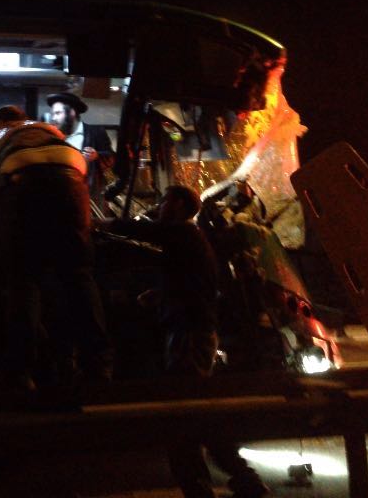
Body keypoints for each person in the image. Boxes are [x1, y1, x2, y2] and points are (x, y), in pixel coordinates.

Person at [105, 185, 269, 498]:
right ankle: (236, 480)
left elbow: (145, 232)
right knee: (195, 412)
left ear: (179, 205)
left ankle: (212, 485)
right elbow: (192, 283)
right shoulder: (190, 240)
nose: (159, 207)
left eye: (165, 201)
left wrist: (101, 224)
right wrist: (160, 296)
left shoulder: (183, 232)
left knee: (184, 414)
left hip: (189, 337)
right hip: (193, 334)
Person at [0, 105, 113, 389]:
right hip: (72, 183)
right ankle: (98, 365)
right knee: (79, 276)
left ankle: (19, 372)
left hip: (24, 184)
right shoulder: (50, 131)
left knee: (24, 280)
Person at [47, 92, 115, 205]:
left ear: (72, 112)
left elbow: (112, 158)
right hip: (60, 201)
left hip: (91, 200)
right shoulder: (52, 139)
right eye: (52, 114)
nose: (53, 118)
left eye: (58, 113)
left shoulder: (95, 133)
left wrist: (96, 155)